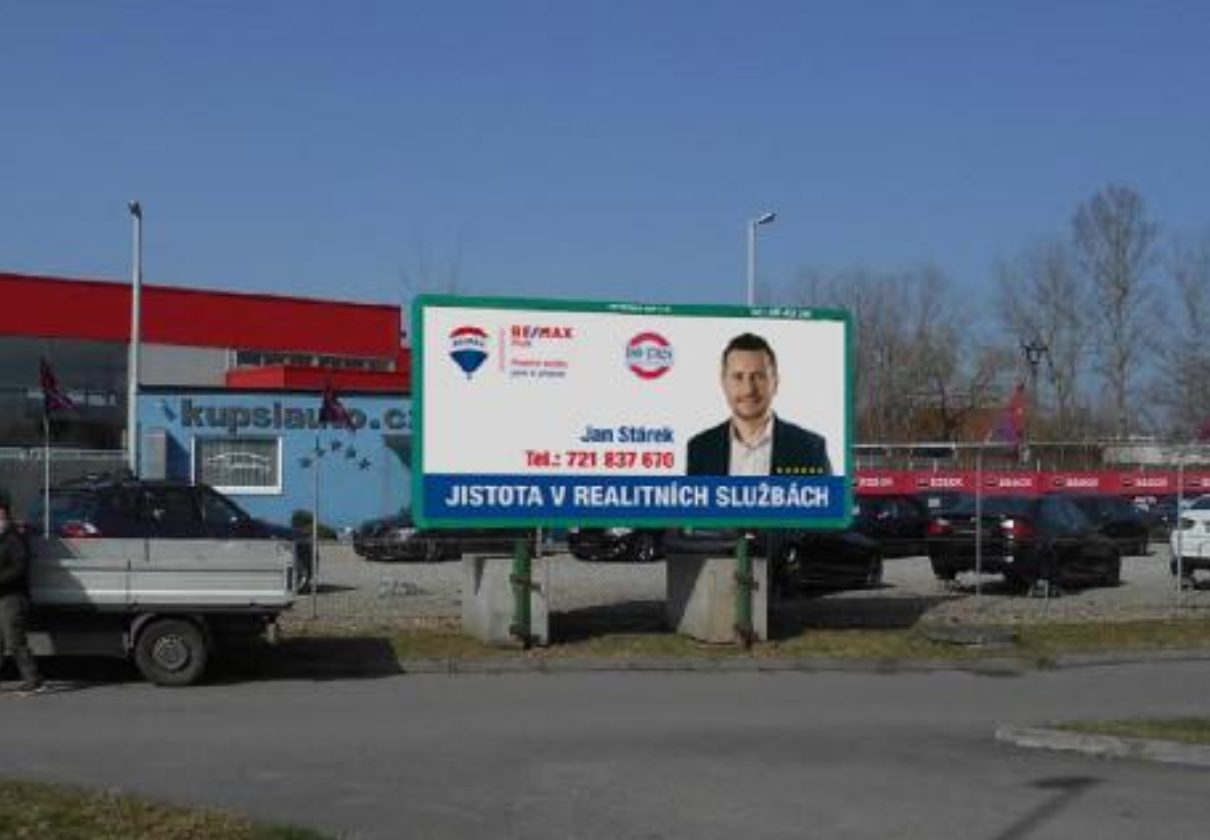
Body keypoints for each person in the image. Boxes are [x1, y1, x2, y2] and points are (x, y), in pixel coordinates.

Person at [686, 332, 832, 477]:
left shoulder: (811, 449)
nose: (748, 389)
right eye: (738, 377)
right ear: (724, 382)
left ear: (775, 382)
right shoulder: (699, 449)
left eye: (758, 377)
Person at [0, 499, 44, 694]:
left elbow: (19, 567)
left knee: (14, 640)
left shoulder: (14, 538)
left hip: (13, 597)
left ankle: (33, 680)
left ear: (7, 517)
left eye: (0, 515)